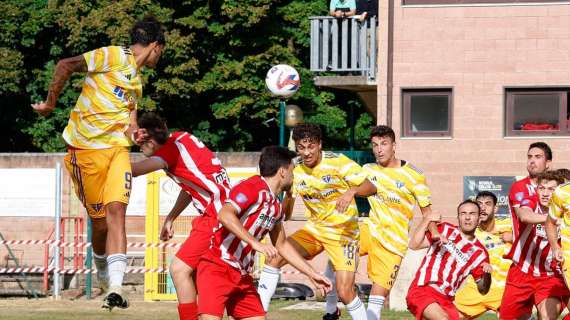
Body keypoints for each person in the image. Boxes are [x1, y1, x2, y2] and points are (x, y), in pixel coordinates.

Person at [31, 17, 165, 310]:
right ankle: (103, 266)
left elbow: (129, 123)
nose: (159, 57)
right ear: (156, 46)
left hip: (116, 150)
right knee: (100, 223)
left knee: (117, 209)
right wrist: (51, 104)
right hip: (84, 151)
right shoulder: (114, 55)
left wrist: (135, 132)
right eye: (161, 52)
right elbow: (65, 65)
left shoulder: (135, 82)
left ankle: (116, 286)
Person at [196, 146, 332, 320]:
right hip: (217, 266)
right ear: (283, 171)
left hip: (242, 275)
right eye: (292, 170)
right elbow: (224, 214)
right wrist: (255, 243)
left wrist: (312, 274)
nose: (294, 175)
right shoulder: (253, 186)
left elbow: (282, 245)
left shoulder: (275, 206)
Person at [257, 124, 377, 319]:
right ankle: (258, 313)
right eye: (301, 148)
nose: (306, 152)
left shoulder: (338, 162)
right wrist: (287, 196)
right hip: (315, 231)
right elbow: (286, 215)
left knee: (345, 292)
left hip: (343, 234)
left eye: (310, 146)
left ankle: (336, 311)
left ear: (320, 145)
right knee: (274, 258)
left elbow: (371, 187)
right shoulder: (293, 168)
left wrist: (351, 191)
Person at [321, 125, 439, 320]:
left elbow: (427, 210)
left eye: (383, 144)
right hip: (369, 229)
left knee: (375, 304)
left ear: (394, 145)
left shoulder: (414, 174)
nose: (379, 149)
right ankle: (331, 310)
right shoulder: (368, 169)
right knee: (336, 250)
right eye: (375, 145)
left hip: (393, 243)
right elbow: (351, 184)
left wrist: (435, 234)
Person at [130, 112, 231, 320]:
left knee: (178, 270)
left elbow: (136, 170)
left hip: (216, 216)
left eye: (140, 144)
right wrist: (171, 217)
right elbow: (190, 186)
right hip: (223, 213)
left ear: (148, 138)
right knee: (199, 277)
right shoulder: (181, 137)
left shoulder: (168, 152)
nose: (140, 149)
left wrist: (105, 158)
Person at [500, 143, 570, 320]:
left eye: (551, 189)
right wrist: (554, 221)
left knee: (547, 316)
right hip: (521, 271)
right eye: (542, 188)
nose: (545, 193)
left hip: (550, 275)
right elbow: (524, 215)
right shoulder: (529, 197)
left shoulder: (566, 209)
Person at [406, 200, 492, 320]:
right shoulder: (444, 229)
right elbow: (414, 245)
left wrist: (487, 275)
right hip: (423, 289)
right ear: (458, 217)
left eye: (472, 214)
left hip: (446, 300)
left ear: (479, 218)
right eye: (463, 213)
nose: (467, 217)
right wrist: (426, 220)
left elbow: (483, 290)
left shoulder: (480, 253)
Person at [454, 191, 513, 319]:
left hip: (505, 289)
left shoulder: (509, 224)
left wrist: (514, 238)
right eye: (479, 204)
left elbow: (533, 236)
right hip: (478, 287)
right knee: (447, 316)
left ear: (495, 208)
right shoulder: (471, 231)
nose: (483, 207)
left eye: (487, 204)